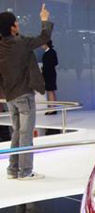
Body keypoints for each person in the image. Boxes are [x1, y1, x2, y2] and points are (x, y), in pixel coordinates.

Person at [0, 4, 53, 180]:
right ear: (12, 27)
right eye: (16, 22)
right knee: (25, 134)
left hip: (10, 96)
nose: (18, 24)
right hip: (24, 94)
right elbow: (44, 37)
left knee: (16, 132)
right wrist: (44, 19)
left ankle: (13, 169)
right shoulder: (21, 43)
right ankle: (25, 171)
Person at [42, 40, 58, 115]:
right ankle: (53, 108)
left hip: (48, 74)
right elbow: (55, 62)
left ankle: (52, 109)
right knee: (51, 90)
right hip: (51, 73)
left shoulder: (48, 53)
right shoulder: (52, 52)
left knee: (50, 91)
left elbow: (47, 65)